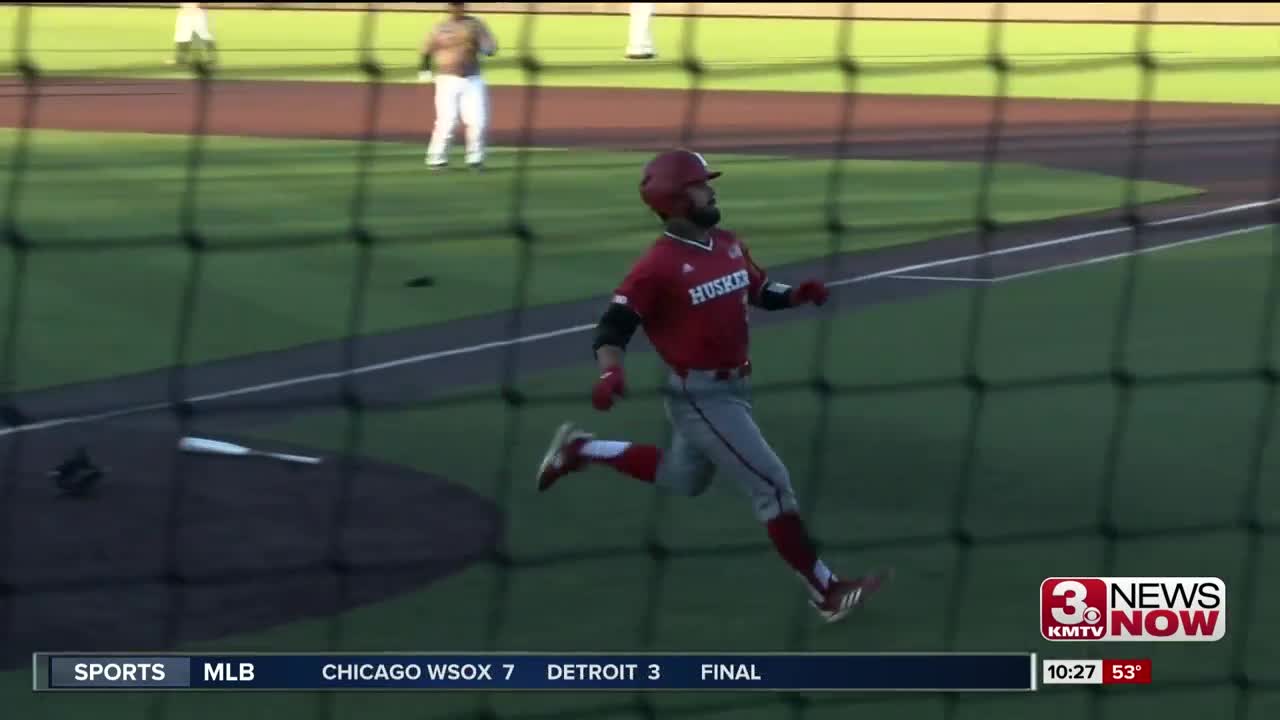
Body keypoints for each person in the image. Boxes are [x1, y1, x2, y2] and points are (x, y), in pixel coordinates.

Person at [536, 149, 892, 623]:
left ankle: (582, 450)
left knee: (685, 477)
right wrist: (610, 371)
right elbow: (611, 330)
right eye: (702, 185)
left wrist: (796, 296)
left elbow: (760, 290)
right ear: (677, 198)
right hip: (699, 397)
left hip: (737, 388)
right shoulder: (657, 267)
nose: (712, 190)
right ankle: (825, 591)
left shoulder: (726, 243)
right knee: (772, 484)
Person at [420, 2, 497, 170]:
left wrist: (485, 47)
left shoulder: (476, 25)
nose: (456, 9)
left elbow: (491, 47)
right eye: (453, 6)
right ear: (449, 8)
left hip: (472, 79)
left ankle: (475, 158)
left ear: (464, 7)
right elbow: (426, 49)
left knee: (478, 121)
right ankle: (436, 157)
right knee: (447, 121)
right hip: (446, 80)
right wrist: (424, 69)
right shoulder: (441, 27)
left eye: (459, 6)